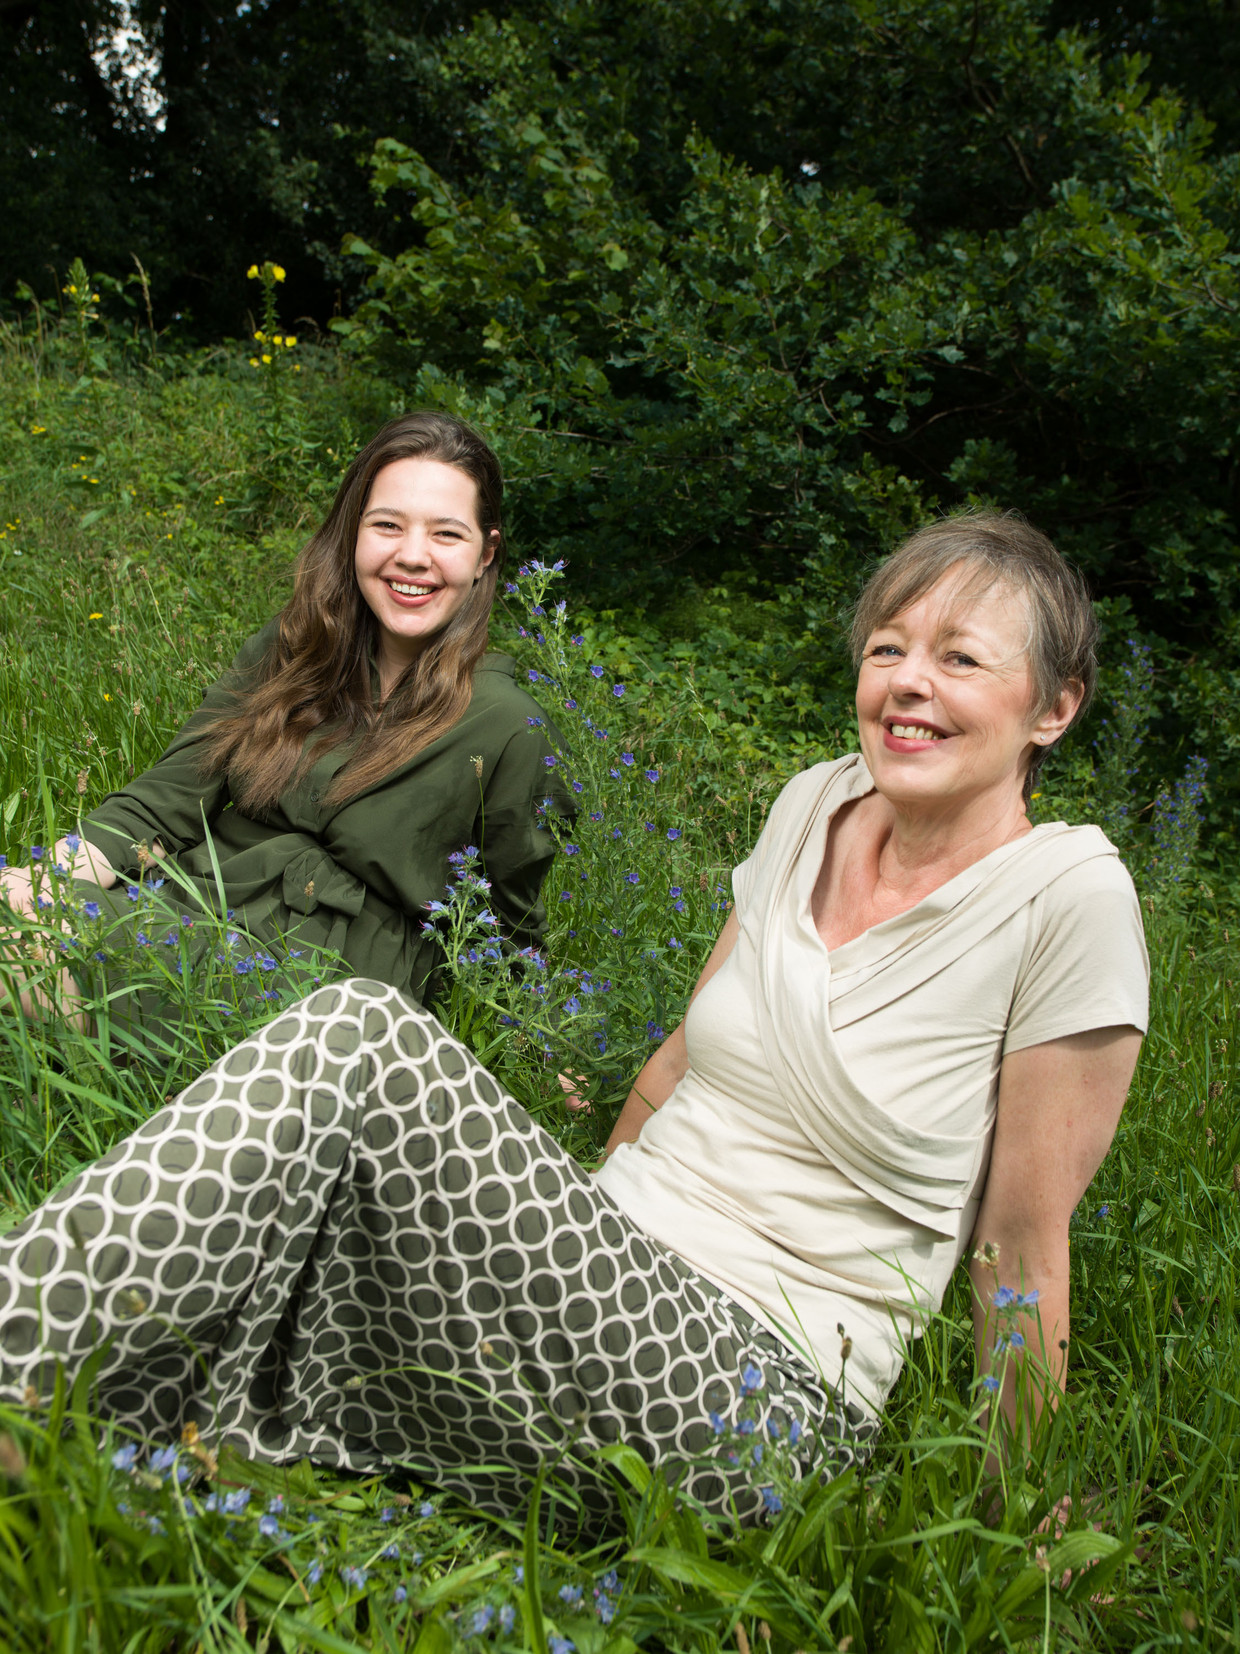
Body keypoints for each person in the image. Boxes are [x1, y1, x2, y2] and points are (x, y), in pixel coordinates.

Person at [0, 513, 1148, 1532]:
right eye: (888, 647)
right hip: (601, 1285)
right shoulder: (814, 801)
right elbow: (682, 1061)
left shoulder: (1066, 897)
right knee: (320, 1230)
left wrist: (1012, 1532)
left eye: (960, 658)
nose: (907, 681)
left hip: (755, 1395)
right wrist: (568, 1227)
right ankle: (63, 1431)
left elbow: (1020, 1248)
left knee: (356, 1035)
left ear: (1053, 707)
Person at [0, 413, 572, 1021]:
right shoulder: (293, 648)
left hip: (320, 988)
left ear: (486, 554)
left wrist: (545, 1036)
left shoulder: (511, 726)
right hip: (188, 910)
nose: (412, 556)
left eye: (446, 535)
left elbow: (509, 923)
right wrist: (42, 883)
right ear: (354, 533)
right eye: (387, 525)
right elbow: (165, 801)